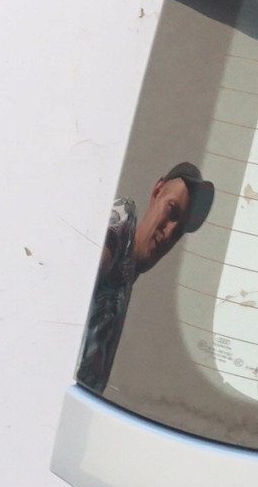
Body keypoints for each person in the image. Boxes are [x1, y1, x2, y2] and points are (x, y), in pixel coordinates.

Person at [76, 162, 214, 392]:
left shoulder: (126, 277)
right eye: (171, 211)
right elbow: (75, 285)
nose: (169, 232)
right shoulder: (123, 221)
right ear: (157, 191)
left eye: (179, 230)